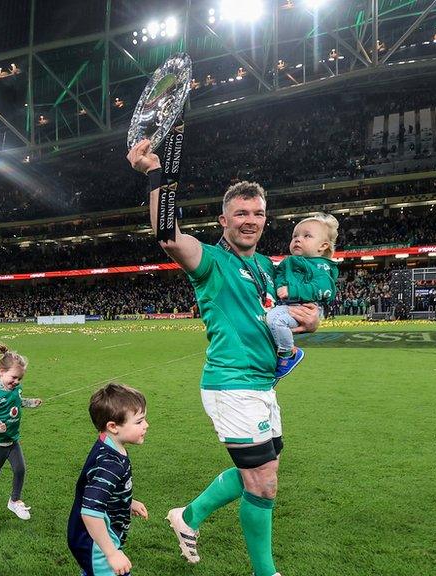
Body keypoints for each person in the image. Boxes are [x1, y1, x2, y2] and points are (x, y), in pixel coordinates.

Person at [126, 139, 319, 576]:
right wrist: (155, 174)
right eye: (241, 214)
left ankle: (187, 516)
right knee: (264, 484)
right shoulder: (211, 261)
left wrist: (307, 323)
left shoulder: (268, 268)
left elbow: (285, 318)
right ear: (224, 220)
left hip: (262, 385)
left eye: (257, 214)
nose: (250, 221)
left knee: (263, 470)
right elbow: (168, 237)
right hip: (231, 385)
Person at [66, 382, 149, 576]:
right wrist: (111, 553)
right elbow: (90, 512)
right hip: (95, 542)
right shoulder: (109, 464)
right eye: (139, 421)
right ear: (113, 426)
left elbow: (101, 491)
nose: (146, 425)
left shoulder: (109, 445)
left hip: (90, 537)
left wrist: (127, 502)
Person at [0, 342, 42, 527]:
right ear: (2, 372)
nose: (16, 382)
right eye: (13, 377)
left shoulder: (15, 390)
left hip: (13, 441)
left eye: (19, 379)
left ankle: (14, 501)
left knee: (20, 469)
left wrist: (31, 403)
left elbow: (18, 402)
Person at [267, 213, 340, 380]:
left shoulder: (320, 266)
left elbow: (325, 289)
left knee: (274, 320)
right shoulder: (287, 262)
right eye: (295, 236)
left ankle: (288, 353)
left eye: (307, 236)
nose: (298, 239)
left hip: (303, 307)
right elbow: (278, 277)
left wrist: (292, 291)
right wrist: (280, 286)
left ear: (322, 246)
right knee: (271, 319)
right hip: (288, 305)